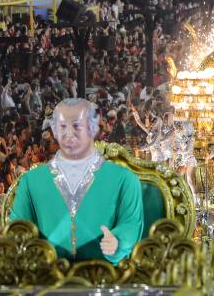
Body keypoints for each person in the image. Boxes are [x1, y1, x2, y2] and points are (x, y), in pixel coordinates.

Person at [8, 98, 144, 265]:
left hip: (103, 278)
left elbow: (131, 224)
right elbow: (16, 229)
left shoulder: (125, 179)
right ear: (54, 131)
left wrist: (117, 242)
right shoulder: (31, 181)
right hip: (47, 279)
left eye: (77, 126)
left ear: (93, 127)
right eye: (63, 126)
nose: (69, 134)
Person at [172, 120, 197, 200]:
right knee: (177, 177)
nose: (181, 129)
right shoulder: (180, 137)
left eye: (183, 127)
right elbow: (176, 147)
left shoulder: (191, 138)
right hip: (182, 160)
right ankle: (178, 197)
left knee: (190, 180)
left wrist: (178, 150)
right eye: (181, 127)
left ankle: (196, 200)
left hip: (189, 159)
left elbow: (189, 150)